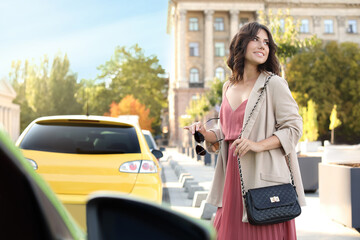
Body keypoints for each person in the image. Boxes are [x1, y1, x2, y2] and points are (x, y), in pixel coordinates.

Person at [184, 22, 306, 240]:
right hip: (230, 181)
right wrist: (204, 133)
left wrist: (257, 145)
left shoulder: (274, 84)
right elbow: (227, 132)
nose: (262, 46)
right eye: (256, 39)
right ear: (241, 44)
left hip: (262, 179)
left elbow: (294, 127)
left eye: (266, 42)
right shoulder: (227, 86)